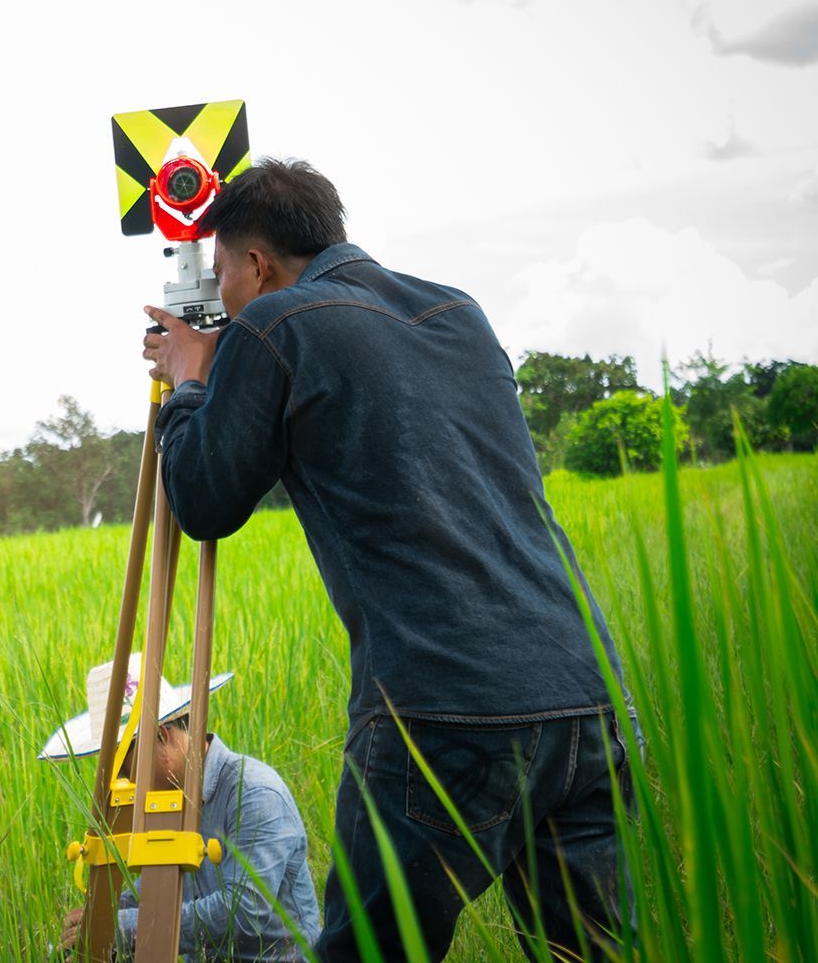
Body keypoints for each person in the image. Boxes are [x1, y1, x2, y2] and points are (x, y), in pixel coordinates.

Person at [138, 159, 635, 962]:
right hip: (586, 690)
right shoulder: (456, 310)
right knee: (590, 954)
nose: (221, 291)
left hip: (442, 703)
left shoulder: (274, 327)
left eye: (222, 269)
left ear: (256, 264)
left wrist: (194, 379)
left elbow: (203, 501)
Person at [42, 656, 320, 960]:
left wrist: (125, 928)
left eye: (123, 766)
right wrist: (101, 918)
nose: (122, 779)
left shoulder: (254, 792)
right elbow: (156, 888)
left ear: (162, 736)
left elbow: (244, 912)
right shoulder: (168, 800)